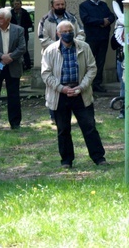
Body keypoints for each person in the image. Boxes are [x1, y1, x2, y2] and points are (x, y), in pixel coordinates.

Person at [41, 20, 108, 168]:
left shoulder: (84, 47)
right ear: (58, 34)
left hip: (81, 93)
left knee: (89, 127)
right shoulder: (50, 50)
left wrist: (81, 87)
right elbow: (46, 74)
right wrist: (61, 88)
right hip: (60, 95)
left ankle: (99, 158)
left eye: (69, 31)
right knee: (63, 129)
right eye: (64, 32)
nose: (67, 34)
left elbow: (92, 69)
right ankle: (66, 161)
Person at [0, 8, 26, 131]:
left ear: (8, 19)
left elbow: (22, 47)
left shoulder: (18, 30)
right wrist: (2, 57)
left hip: (13, 66)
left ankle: (15, 123)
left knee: (13, 95)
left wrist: (10, 57)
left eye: (0, 18)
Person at [79, 0, 116, 93]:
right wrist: (101, 21)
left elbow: (112, 16)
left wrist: (108, 21)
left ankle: (97, 83)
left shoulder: (103, 5)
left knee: (100, 62)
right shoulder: (84, 6)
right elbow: (86, 19)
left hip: (103, 37)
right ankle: (87, 83)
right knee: (89, 62)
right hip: (92, 38)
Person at [10, 0, 33, 70]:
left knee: (24, 49)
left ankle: (27, 65)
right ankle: (13, 65)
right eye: (15, 4)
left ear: (20, 4)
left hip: (23, 33)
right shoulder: (11, 13)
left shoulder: (25, 13)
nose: (16, 5)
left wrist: (23, 27)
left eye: (18, 4)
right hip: (13, 34)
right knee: (13, 49)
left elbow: (29, 23)